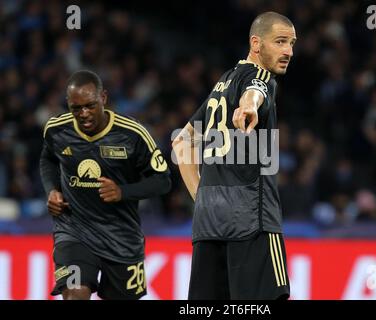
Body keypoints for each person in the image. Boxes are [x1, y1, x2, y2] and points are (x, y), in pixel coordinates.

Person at [172, 12, 296, 299]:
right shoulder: (259, 76)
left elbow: (181, 142)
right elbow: (257, 91)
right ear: (256, 43)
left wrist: (202, 197)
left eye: (291, 43)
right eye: (280, 42)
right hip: (252, 221)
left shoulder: (224, 82)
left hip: (208, 223)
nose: (288, 51)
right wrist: (250, 106)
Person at [40, 70, 171, 300]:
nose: (84, 114)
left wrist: (123, 192)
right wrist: (52, 189)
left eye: (90, 106)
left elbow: (163, 181)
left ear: (104, 98)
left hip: (121, 238)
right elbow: (48, 159)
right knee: (74, 294)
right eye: (76, 108)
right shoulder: (56, 130)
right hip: (74, 232)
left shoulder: (132, 134)